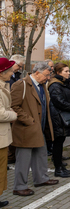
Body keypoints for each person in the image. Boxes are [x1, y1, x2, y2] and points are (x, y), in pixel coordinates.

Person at [11, 62, 59, 196]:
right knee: (24, 160)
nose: (48, 78)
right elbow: (14, 106)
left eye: (49, 75)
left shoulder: (42, 85)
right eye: (46, 75)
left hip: (40, 128)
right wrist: (29, 121)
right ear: (37, 73)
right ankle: (19, 186)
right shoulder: (21, 85)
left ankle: (41, 179)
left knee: (41, 155)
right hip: (26, 129)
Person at [48, 63, 70, 177]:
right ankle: (58, 168)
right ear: (59, 73)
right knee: (58, 142)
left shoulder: (65, 84)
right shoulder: (55, 85)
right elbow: (59, 101)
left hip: (63, 115)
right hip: (57, 117)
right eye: (66, 71)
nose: (69, 73)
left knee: (61, 141)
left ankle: (60, 165)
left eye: (69, 71)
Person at [0, 58, 18, 207]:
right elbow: (1, 114)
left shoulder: (3, 86)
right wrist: (14, 115)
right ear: (2, 73)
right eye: (10, 70)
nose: (12, 73)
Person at [7, 54, 26, 164]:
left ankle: (11, 156)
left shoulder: (16, 76)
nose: (20, 68)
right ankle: (9, 156)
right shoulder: (7, 77)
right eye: (19, 66)